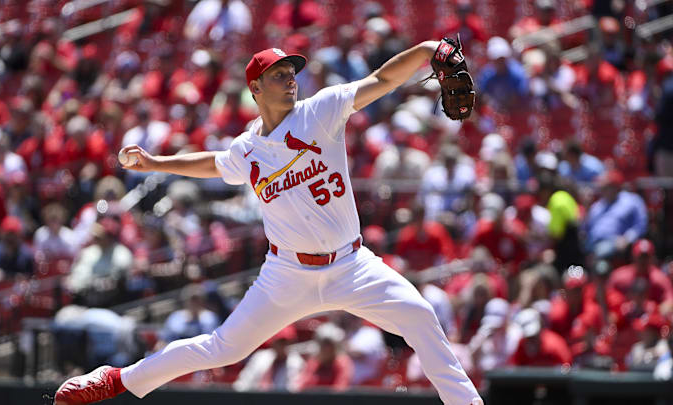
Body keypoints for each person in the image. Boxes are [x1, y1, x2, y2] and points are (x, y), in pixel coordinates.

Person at [55, 43, 483, 405]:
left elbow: (384, 80)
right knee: (223, 348)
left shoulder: (320, 111)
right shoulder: (248, 147)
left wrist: (428, 50)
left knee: (420, 317)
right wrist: (155, 162)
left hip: (352, 265)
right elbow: (215, 163)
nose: (290, 78)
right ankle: (117, 379)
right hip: (287, 273)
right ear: (255, 87)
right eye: (278, 74)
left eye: (291, 71)